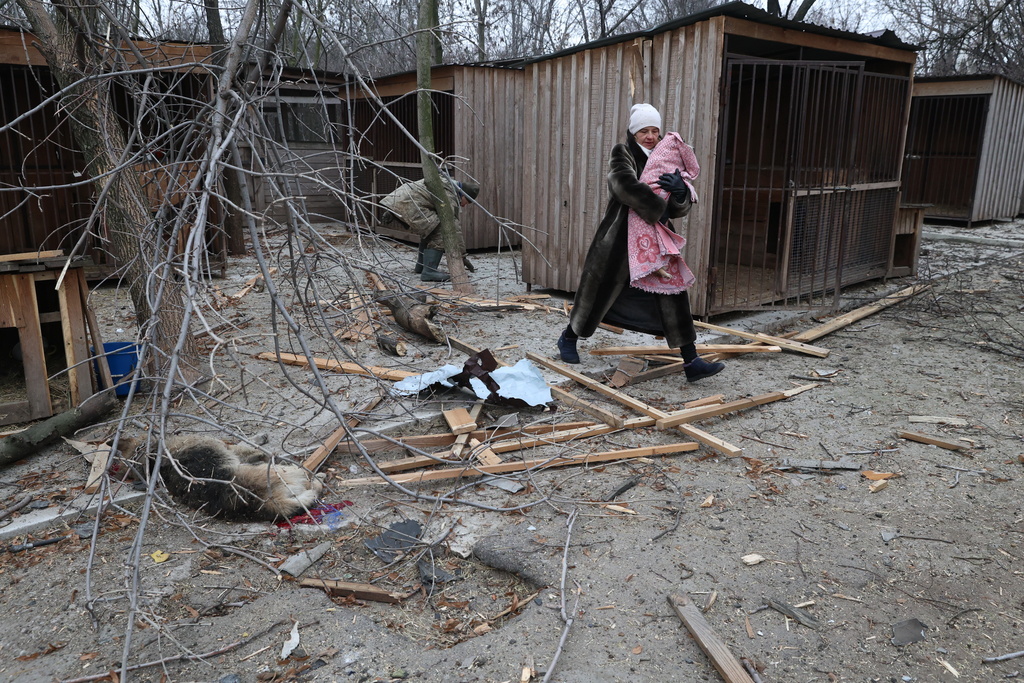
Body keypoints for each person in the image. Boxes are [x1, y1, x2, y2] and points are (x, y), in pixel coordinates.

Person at [555, 103, 724, 382]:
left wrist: (681, 192)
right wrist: (661, 207)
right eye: (644, 130)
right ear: (633, 133)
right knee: (598, 292)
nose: (650, 136)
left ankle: (691, 361)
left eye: (655, 130)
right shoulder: (623, 152)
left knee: (672, 293)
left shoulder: (667, 156)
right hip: (618, 239)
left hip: (655, 240)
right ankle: (569, 338)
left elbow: (678, 207)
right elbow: (622, 185)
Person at [379, 176, 481, 282]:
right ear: (463, 195)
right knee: (441, 232)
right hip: (410, 205)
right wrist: (462, 256)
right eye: (467, 202)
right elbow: (453, 227)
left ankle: (421, 266)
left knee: (430, 229)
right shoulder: (449, 195)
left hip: (398, 200)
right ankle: (429, 272)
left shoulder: (446, 182)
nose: (464, 206)